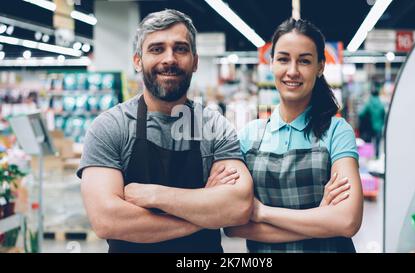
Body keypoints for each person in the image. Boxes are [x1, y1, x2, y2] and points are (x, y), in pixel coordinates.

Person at [77, 9, 255, 253]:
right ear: (138, 60)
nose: (169, 59)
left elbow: (238, 206)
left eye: (180, 49)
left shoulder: (215, 127)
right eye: (156, 49)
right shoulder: (109, 127)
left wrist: (152, 195)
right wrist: (206, 210)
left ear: (195, 61)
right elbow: (107, 220)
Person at [224, 18, 363, 253]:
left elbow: (347, 221)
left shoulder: (337, 132)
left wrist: (261, 213)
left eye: (304, 61)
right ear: (271, 64)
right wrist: (321, 218)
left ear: (320, 67)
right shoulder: (249, 136)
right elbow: (233, 226)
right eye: (283, 59)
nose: (292, 71)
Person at [358, 84, 385, 158]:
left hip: (370, 127)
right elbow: (384, 115)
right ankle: (377, 156)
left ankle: (370, 156)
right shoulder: (381, 104)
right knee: (377, 143)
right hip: (379, 127)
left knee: (369, 143)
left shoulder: (369, 103)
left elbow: (361, 114)